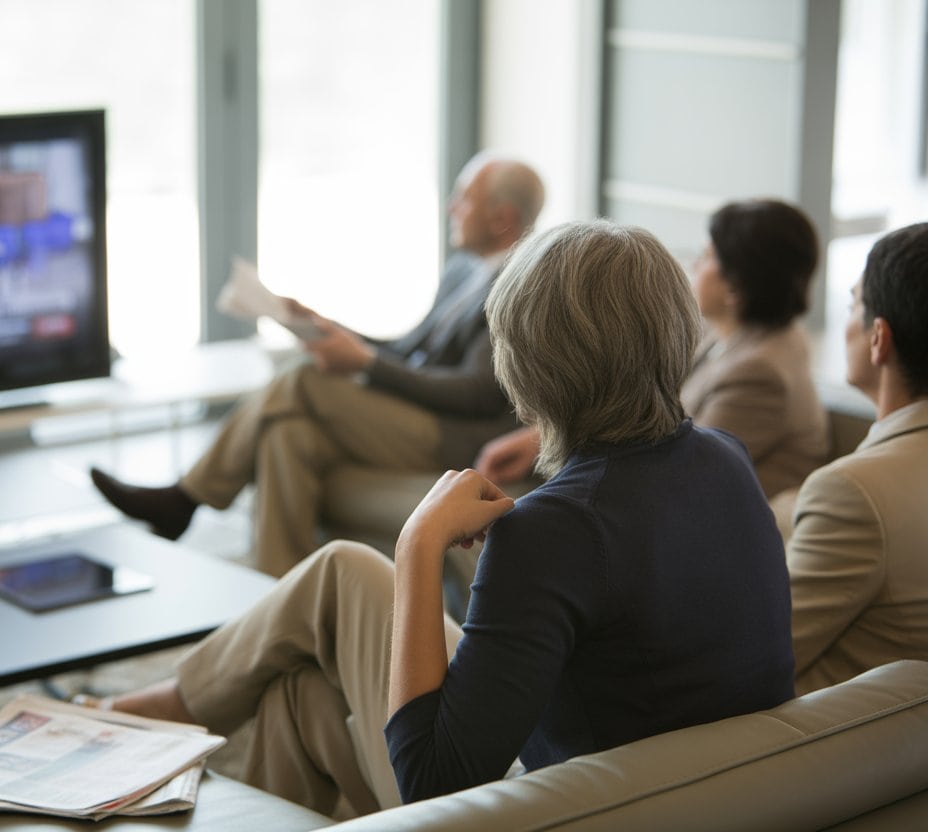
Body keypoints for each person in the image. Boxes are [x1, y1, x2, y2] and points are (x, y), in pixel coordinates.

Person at [77, 220, 794, 817]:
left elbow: (434, 786)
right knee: (307, 671)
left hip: (563, 808)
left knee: (306, 680)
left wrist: (419, 544)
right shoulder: (723, 461)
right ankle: (165, 712)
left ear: (527, 367)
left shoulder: (551, 532)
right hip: (690, 798)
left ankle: (141, 728)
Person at [90, 152, 544, 576]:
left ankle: (186, 498)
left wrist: (364, 362)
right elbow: (411, 350)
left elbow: (475, 391)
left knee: (304, 378)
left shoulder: (516, 285)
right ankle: (277, 597)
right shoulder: (464, 269)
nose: (451, 207)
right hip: (417, 419)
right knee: (287, 435)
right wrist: (330, 329)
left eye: (464, 199)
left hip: (452, 437)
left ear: (501, 218)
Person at [476, 198, 829, 498]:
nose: (695, 266)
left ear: (734, 289)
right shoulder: (725, 329)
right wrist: (538, 439)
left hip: (694, 527)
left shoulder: (760, 374)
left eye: (707, 258)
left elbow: (678, 471)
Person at [786, 222, 928, 695]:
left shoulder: (855, 492)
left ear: (878, 338)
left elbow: (758, 656)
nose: (847, 319)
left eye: (853, 305)